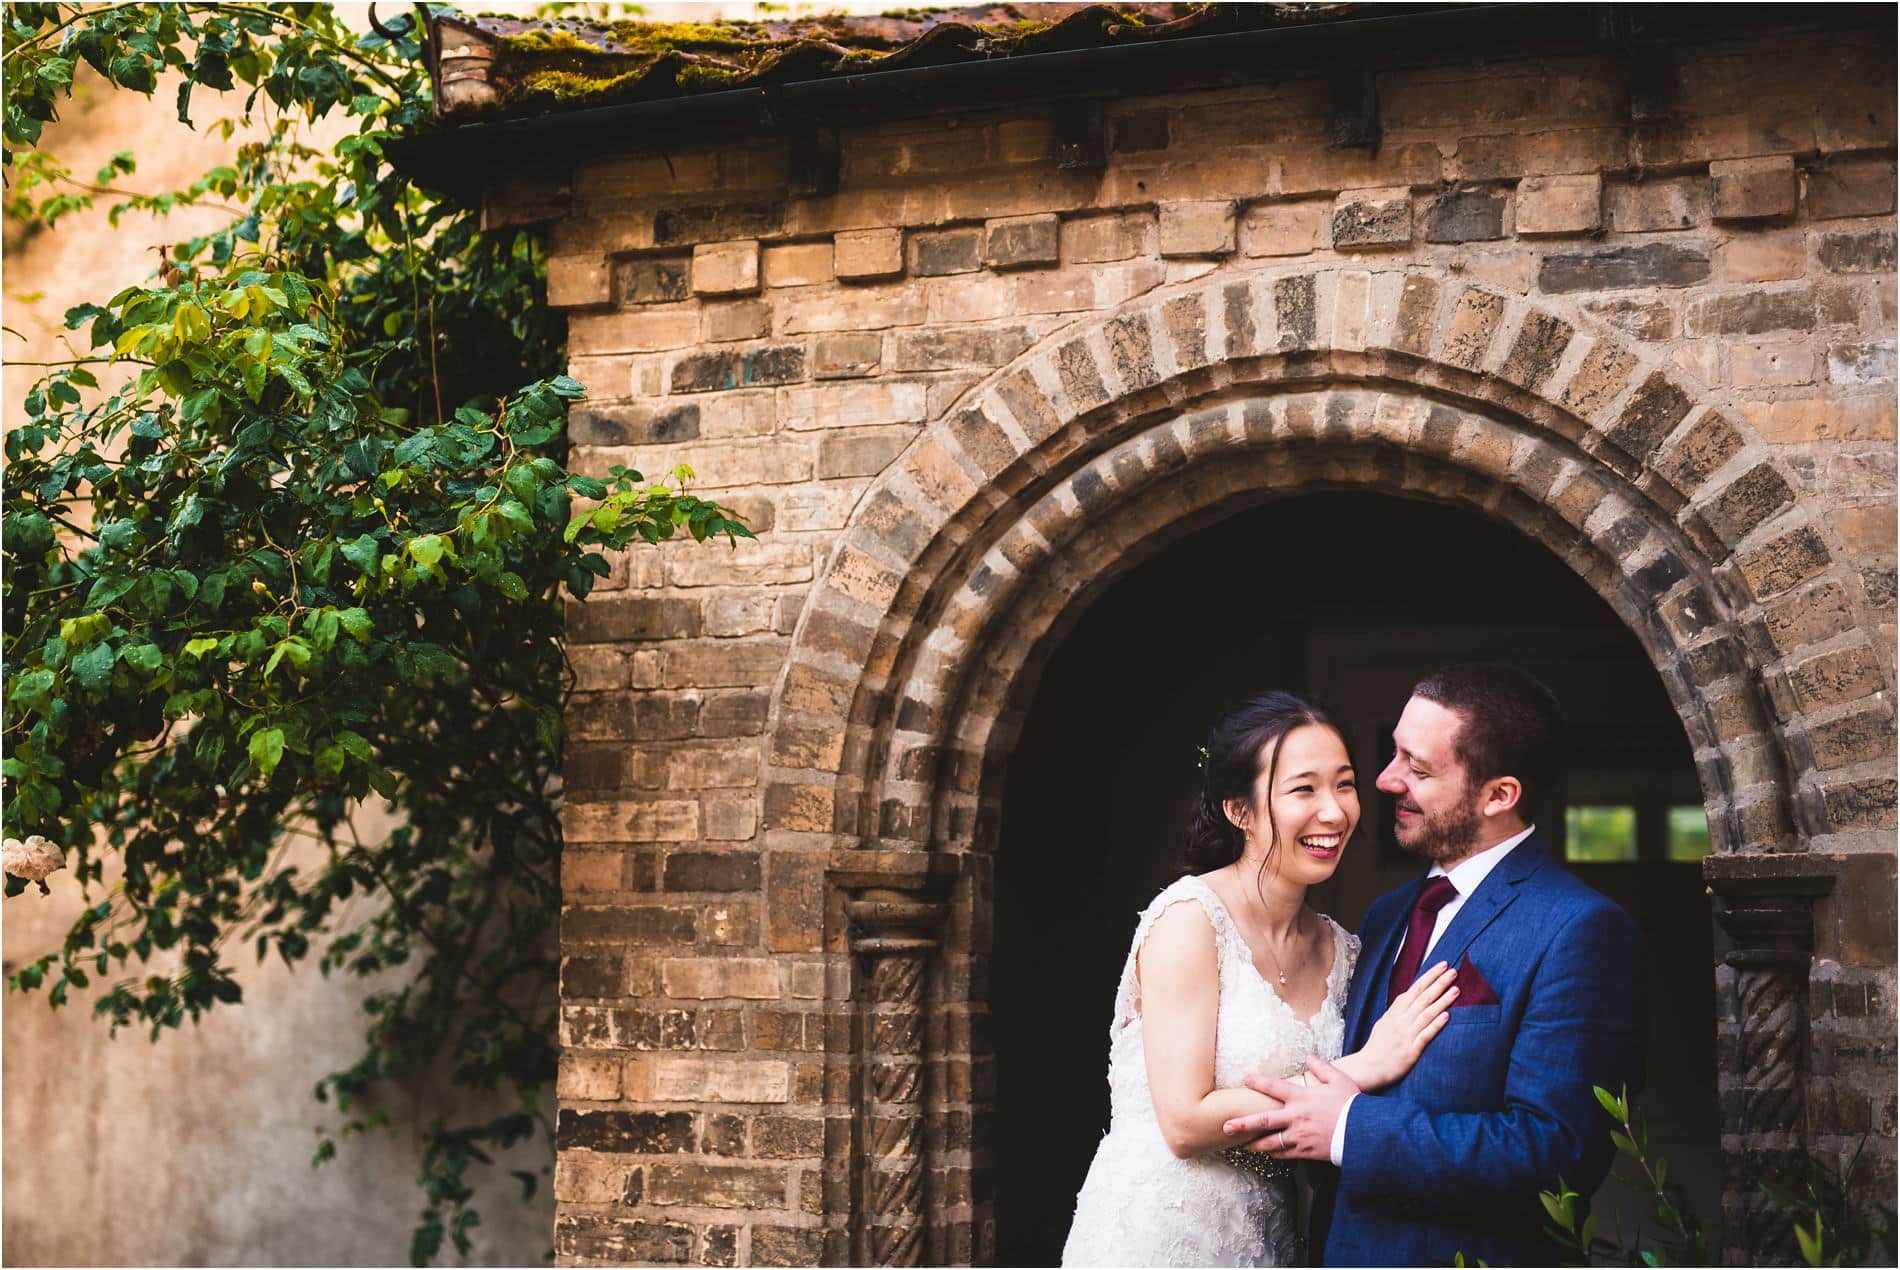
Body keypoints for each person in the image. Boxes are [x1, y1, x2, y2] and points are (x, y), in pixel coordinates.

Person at [1222, 663, 1646, 1267]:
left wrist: (1349, 1128)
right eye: (1393, 754)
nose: (1386, 781)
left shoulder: (1578, 930)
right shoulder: (1386, 916)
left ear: (1500, 795)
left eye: (1417, 769)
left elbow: (1557, 1155)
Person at [1060, 692, 1459, 1267]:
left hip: (1269, 1237)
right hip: (1159, 1234)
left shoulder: (1343, 951)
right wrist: (1363, 1066)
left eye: (1344, 784)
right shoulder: (1191, 919)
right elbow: (1185, 1120)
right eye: (1304, 789)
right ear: (1239, 810)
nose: (1334, 812)